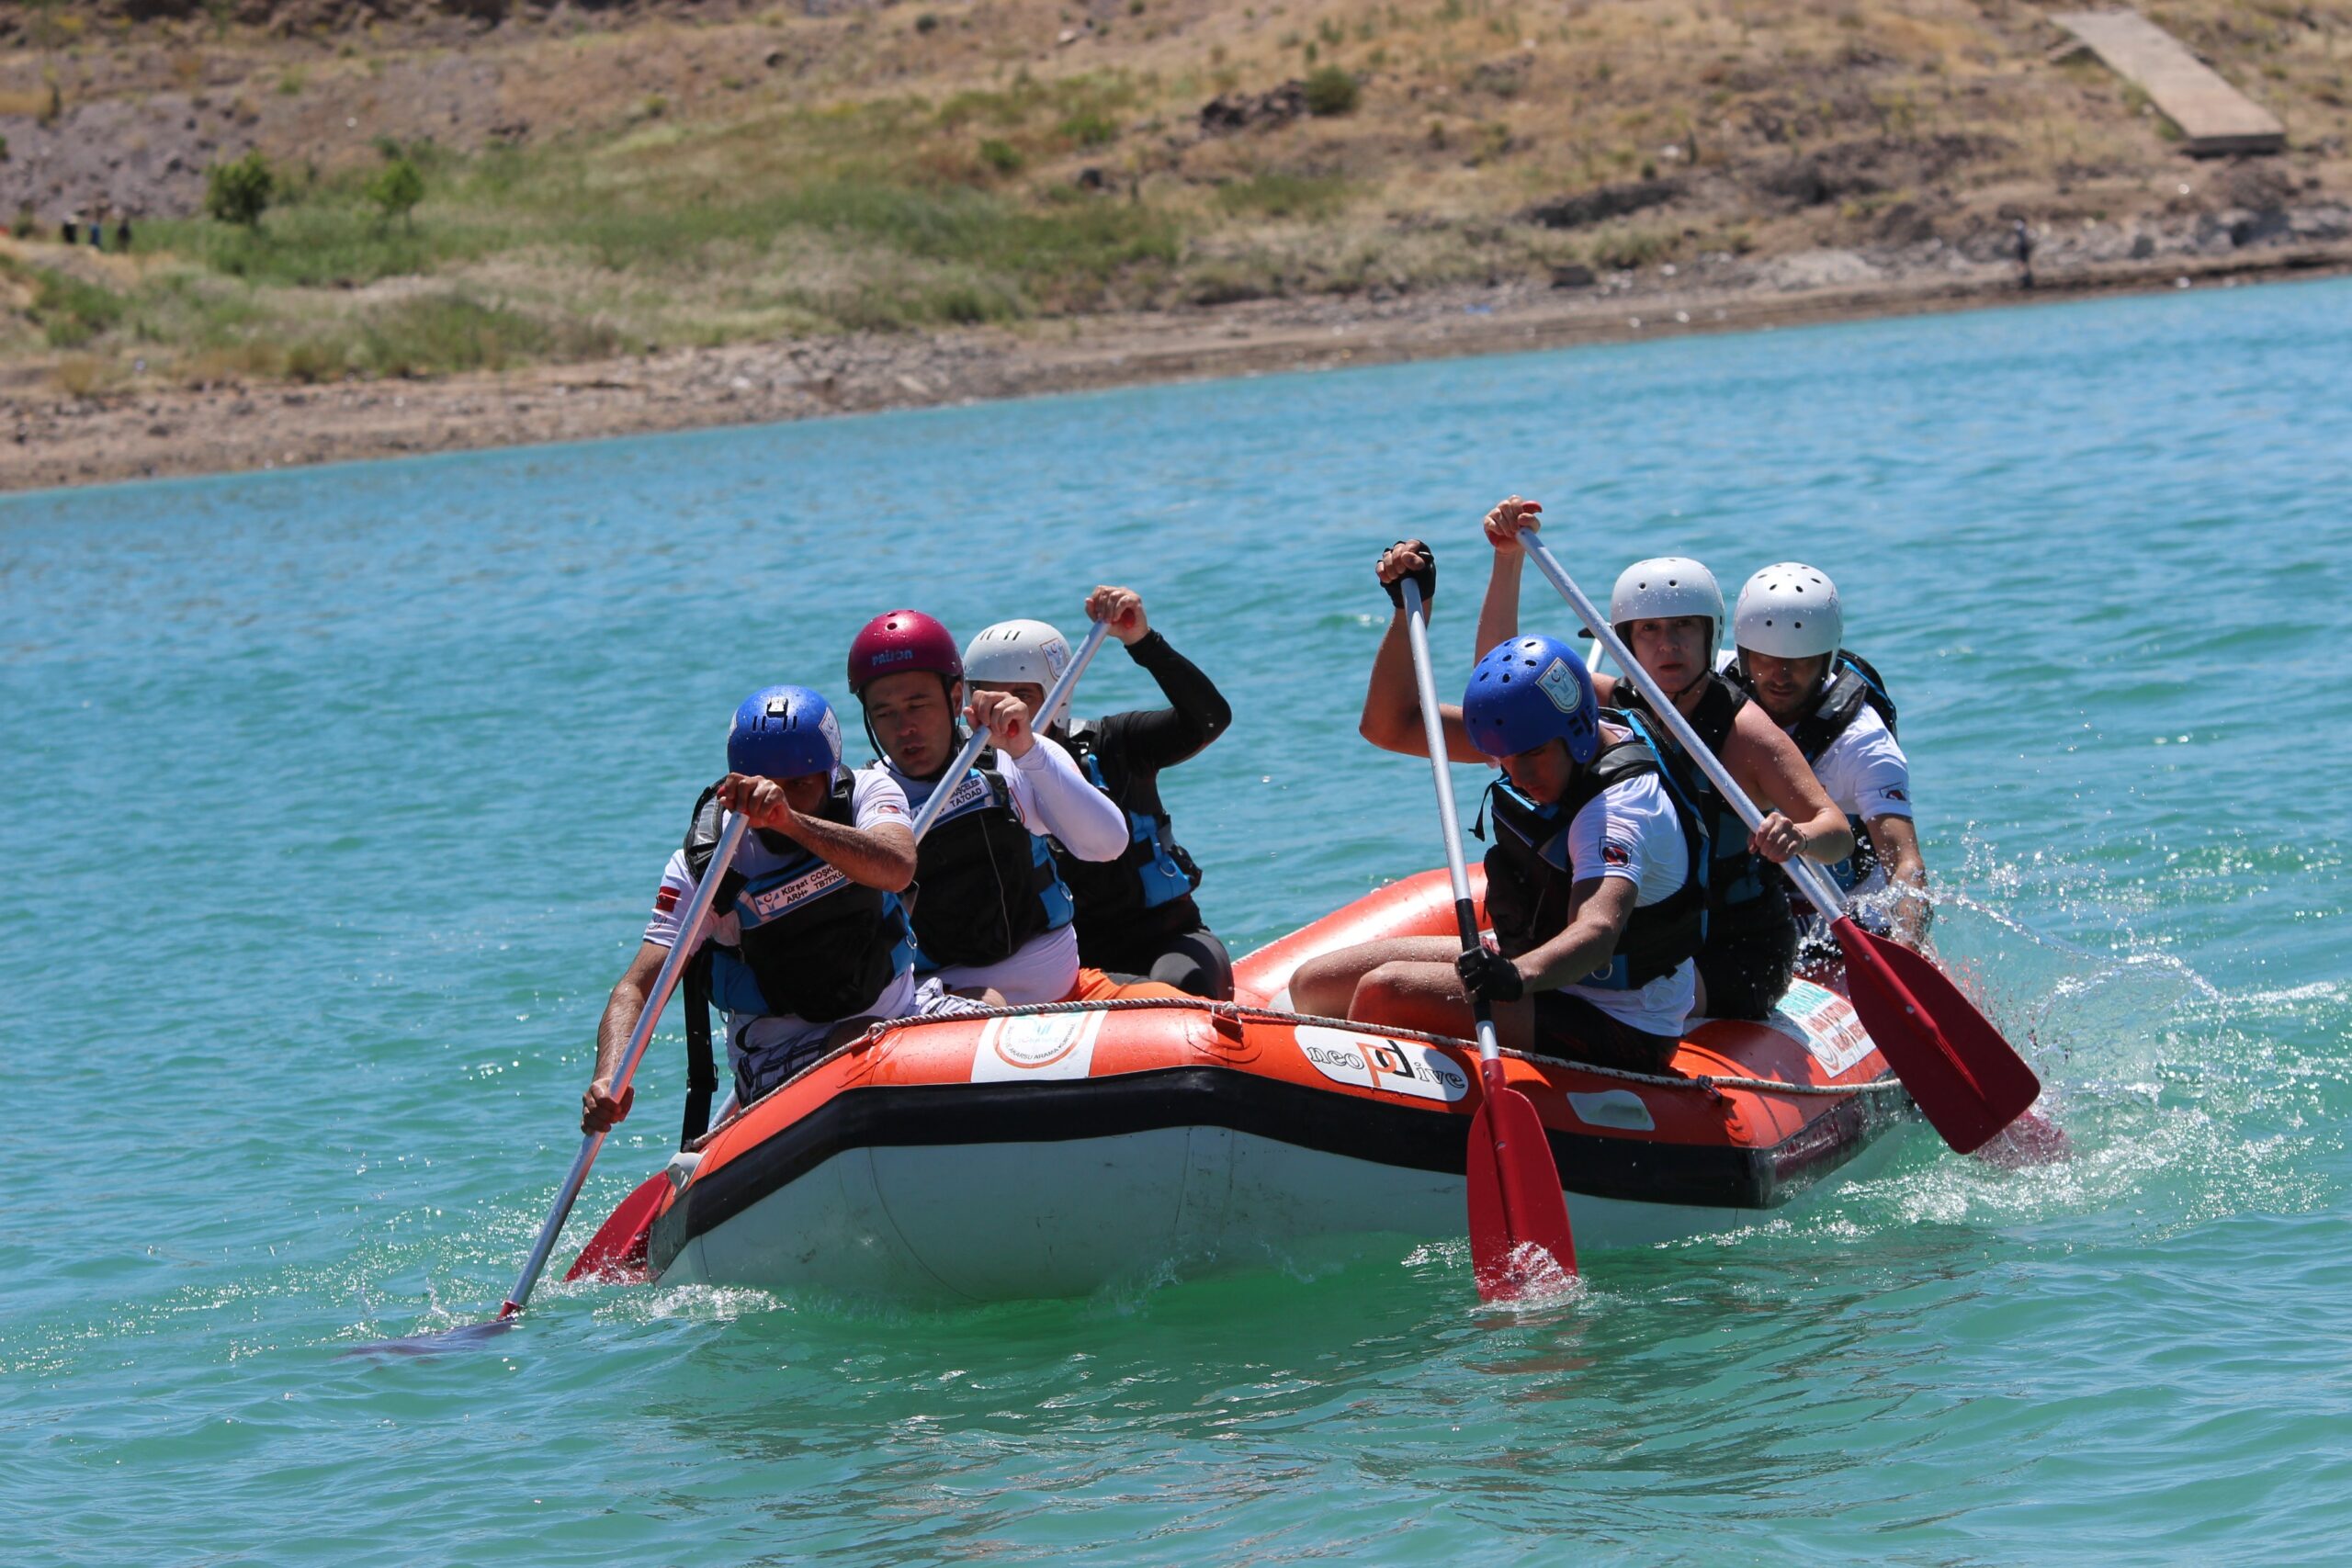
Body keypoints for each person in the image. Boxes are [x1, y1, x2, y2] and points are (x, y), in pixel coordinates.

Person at [1288, 541, 1706, 1073]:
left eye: (1530, 757)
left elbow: (1597, 933)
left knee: (1386, 993)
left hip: (1619, 1019)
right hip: (1532, 964)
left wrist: (1517, 979)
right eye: (1504, 760)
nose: (1518, 775)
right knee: (1312, 984)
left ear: (1577, 733)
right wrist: (1408, 611)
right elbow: (1387, 726)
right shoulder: (1533, 737)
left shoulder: (1621, 809)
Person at [1475, 497, 1854, 1021]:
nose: (1667, 645)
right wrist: (1507, 560)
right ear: (1624, 639)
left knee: (1570, 991)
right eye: (1649, 630)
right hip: (1652, 930)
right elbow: (1503, 686)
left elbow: (1836, 830)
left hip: (1732, 952)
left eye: (1683, 628)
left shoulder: (1745, 732)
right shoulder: (1609, 703)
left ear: (1710, 635)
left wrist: (1798, 835)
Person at [582, 685, 983, 1134]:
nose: (780, 798)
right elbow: (637, 987)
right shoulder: (707, 866)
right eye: (768, 786)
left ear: (829, 775)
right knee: (864, 1039)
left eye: (800, 785)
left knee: (994, 1007)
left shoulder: (866, 792)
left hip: (899, 1011)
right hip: (780, 1054)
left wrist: (790, 823)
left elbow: (897, 866)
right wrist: (608, 1077)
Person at [962, 585, 1235, 998]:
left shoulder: (1114, 743)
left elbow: (1209, 720)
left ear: (1058, 693)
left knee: (1178, 987)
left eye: (1023, 696)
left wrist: (1143, 642)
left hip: (1166, 940)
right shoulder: (971, 785)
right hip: (1070, 968)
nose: (1006, 711)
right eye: (992, 698)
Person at [848, 608, 1129, 1004]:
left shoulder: (1012, 756)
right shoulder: (868, 803)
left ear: (955, 696)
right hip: (955, 1020)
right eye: (885, 713)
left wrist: (1027, 751)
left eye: (918, 705)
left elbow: (1108, 845)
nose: (905, 727)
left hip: (1070, 993)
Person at [1723, 562, 1929, 954]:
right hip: (1758, 907)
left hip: (1848, 920)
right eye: (1765, 660)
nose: (1780, 676)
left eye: (1799, 662)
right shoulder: (1716, 685)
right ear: (1744, 656)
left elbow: (1906, 865)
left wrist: (1908, 949)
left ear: (1826, 659)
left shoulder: (1865, 744)